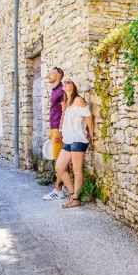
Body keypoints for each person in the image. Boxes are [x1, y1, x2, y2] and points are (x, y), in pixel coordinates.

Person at [56, 77, 94, 209]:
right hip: (68, 139)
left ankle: (76, 198)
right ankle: (72, 193)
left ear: (74, 85)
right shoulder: (67, 102)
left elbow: (89, 117)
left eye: (68, 82)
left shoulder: (78, 100)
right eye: (64, 83)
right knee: (60, 167)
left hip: (78, 138)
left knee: (77, 170)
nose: (65, 84)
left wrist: (92, 135)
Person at [42, 67, 68, 200]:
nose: (48, 75)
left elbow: (64, 111)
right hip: (54, 129)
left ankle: (58, 190)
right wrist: (51, 129)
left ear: (58, 75)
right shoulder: (54, 90)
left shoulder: (61, 90)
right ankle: (60, 188)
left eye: (51, 73)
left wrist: (60, 130)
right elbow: (54, 111)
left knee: (59, 161)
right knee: (57, 160)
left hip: (58, 129)